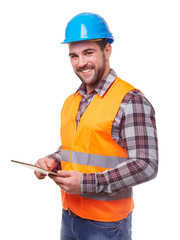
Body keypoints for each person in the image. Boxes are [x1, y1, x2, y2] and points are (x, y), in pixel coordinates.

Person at [34, 12, 158, 240]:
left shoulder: (130, 100)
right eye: (74, 56)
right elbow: (77, 149)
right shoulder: (72, 101)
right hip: (69, 215)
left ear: (107, 50)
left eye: (88, 53)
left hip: (106, 225)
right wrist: (53, 160)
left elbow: (146, 164)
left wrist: (88, 183)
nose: (81, 63)